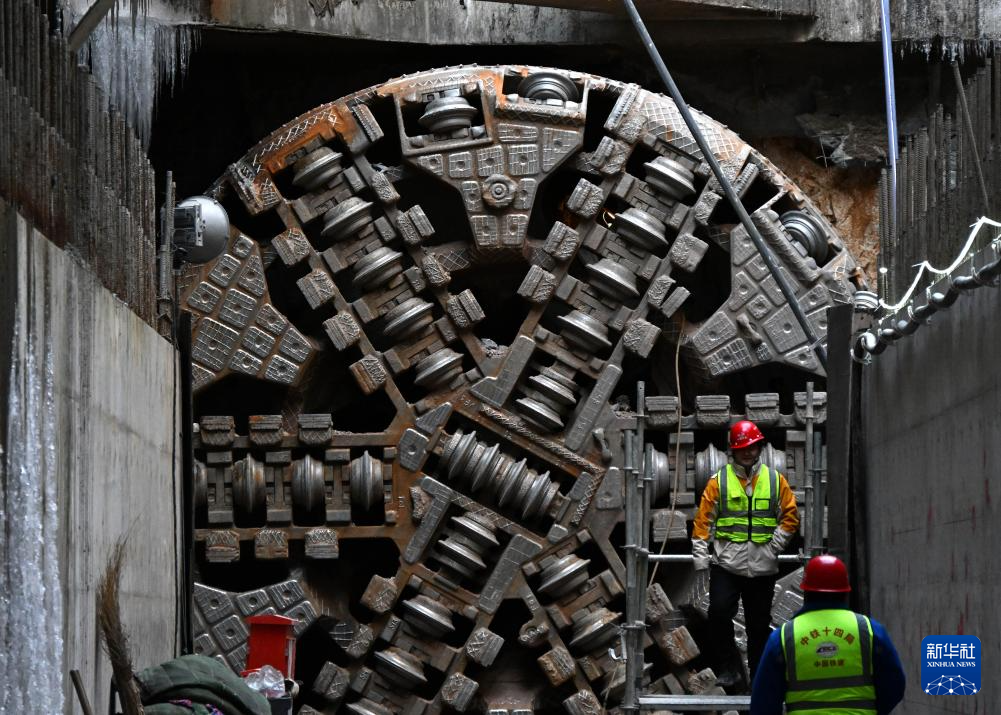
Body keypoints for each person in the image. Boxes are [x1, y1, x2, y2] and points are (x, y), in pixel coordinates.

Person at [692, 419, 799, 689]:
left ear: (759, 447)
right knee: (718, 613)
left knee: (758, 626)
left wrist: (774, 547)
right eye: (742, 448)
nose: (748, 452)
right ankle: (730, 668)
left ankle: (758, 678)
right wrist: (701, 558)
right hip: (727, 564)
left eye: (752, 447)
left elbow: (790, 517)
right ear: (733, 451)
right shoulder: (719, 482)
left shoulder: (775, 481)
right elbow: (703, 521)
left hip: (762, 567)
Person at [751, 554, 906, 714]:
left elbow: (763, 703)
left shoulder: (784, 637)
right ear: (845, 592)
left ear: (806, 591)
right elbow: (895, 685)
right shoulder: (870, 630)